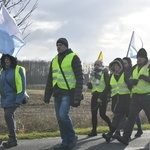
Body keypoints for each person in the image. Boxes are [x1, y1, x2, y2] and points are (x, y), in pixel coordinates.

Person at [44, 38, 83, 150]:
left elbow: (80, 78)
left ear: (66, 46)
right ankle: (65, 141)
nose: (58, 47)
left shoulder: (73, 57)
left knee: (63, 115)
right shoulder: (54, 59)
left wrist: (77, 96)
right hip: (57, 93)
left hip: (67, 92)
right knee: (59, 118)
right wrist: (47, 96)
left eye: (60, 45)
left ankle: (73, 136)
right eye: (57, 45)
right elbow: (50, 79)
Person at [116, 48, 150, 145]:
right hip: (135, 97)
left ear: (145, 58)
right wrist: (131, 82)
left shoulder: (148, 67)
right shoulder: (134, 68)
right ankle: (126, 138)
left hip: (147, 97)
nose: (139, 58)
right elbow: (127, 78)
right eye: (138, 56)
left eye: (141, 57)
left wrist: (146, 78)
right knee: (131, 118)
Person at [99, 58, 131, 143]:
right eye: (114, 66)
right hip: (115, 99)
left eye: (117, 65)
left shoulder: (126, 74)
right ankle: (118, 135)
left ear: (121, 66)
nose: (116, 67)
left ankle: (113, 134)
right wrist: (101, 97)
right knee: (119, 117)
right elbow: (107, 88)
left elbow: (130, 86)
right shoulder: (112, 76)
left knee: (120, 116)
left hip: (125, 99)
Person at [112, 57, 143, 138]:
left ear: (129, 64)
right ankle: (118, 132)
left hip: (132, 96)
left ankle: (138, 129)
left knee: (133, 115)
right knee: (121, 114)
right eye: (123, 63)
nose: (123, 65)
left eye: (125, 63)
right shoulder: (121, 72)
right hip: (123, 97)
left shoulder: (131, 72)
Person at [0, 54, 25, 148]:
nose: (6, 60)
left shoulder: (18, 69)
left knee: (7, 115)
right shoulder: (2, 71)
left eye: (8, 58)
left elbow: (22, 85)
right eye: (5, 59)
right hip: (5, 98)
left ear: (12, 59)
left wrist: (19, 99)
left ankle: (12, 138)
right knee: (10, 117)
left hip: (14, 97)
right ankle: (13, 139)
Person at [87, 60, 111, 137]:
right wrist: (89, 85)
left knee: (102, 114)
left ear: (101, 65)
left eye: (98, 64)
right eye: (95, 64)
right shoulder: (93, 74)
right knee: (93, 113)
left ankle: (112, 127)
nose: (96, 66)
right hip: (94, 95)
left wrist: (105, 96)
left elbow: (108, 86)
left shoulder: (105, 73)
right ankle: (94, 130)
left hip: (102, 95)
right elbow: (92, 85)